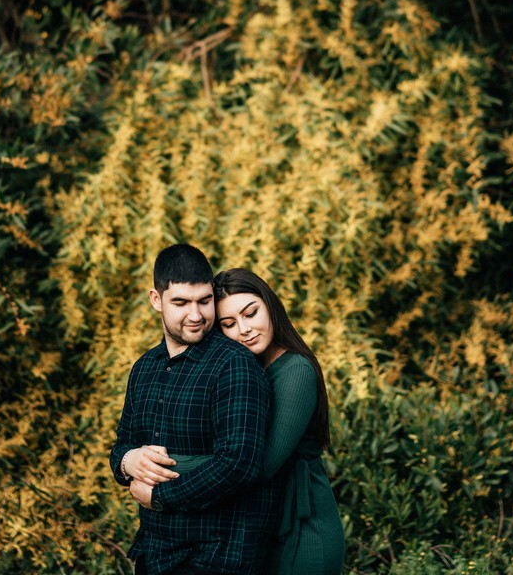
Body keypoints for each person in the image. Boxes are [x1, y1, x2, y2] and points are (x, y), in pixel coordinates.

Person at [110, 245, 275, 575]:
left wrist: (160, 495)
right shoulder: (144, 368)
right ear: (156, 300)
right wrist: (128, 461)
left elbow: (239, 464)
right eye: (181, 303)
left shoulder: (234, 365)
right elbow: (121, 446)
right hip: (153, 554)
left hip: (215, 557)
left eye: (204, 300)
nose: (196, 315)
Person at [168, 268, 345, 575]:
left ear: (270, 306)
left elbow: (259, 465)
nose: (245, 329)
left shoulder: (296, 371)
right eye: (229, 324)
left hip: (304, 533)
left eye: (251, 313)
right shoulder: (245, 372)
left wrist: (166, 463)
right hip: (261, 529)